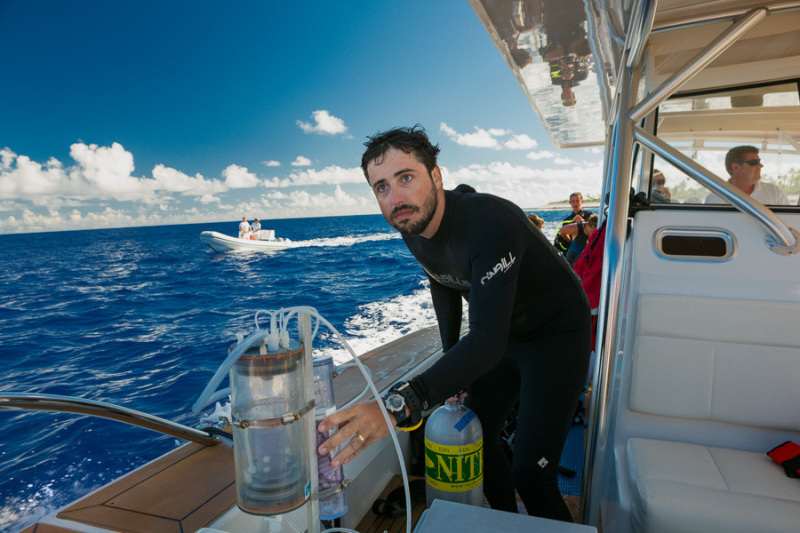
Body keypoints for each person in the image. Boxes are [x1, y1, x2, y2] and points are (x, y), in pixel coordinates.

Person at [317, 126, 591, 522]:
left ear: (436, 177)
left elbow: (486, 341)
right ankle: (503, 522)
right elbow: (441, 280)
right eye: (381, 187)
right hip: (505, 333)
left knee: (531, 473)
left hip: (556, 335)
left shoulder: (492, 223)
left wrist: (400, 405)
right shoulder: (411, 226)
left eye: (405, 177)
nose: (395, 198)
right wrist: (451, 365)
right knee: (479, 434)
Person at [705, 146, 790, 205]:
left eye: (759, 161)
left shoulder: (774, 192)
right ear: (736, 167)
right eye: (755, 162)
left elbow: (789, 224)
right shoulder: (715, 199)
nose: (760, 165)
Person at [554, 192, 592, 257]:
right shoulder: (567, 220)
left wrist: (583, 222)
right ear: (570, 203)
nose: (575, 203)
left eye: (577, 201)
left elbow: (596, 230)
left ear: (582, 202)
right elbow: (564, 236)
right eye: (573, 201)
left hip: (587, 248)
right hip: (573, 250)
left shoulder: (589, 215)